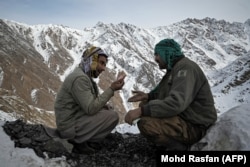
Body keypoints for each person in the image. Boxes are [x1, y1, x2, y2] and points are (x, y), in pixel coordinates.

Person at [125, 39, 217, 150]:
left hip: (196, 126)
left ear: (166, 52)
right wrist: (148, 96)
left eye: (157, 54)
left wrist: (141, 111)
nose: (155, 59)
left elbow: (176, 103)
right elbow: (164, 92)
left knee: (146, 124)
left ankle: (183, 148)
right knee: (145, 104)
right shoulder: (175, 68)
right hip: (186, 116)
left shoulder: (185, 68)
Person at [54, 46, 126, 154]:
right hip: (69, 128)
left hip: (72, 120)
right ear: (91, 60)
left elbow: (88, 103)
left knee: (107, 111)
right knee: (112, 116)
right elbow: (90, 109)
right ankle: (78, 141)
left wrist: (102, 105)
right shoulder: (80, 79)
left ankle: (82, 140)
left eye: (104, 64)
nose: (103, 68)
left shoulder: (84, 76)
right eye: (101, 63)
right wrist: (112, 89)